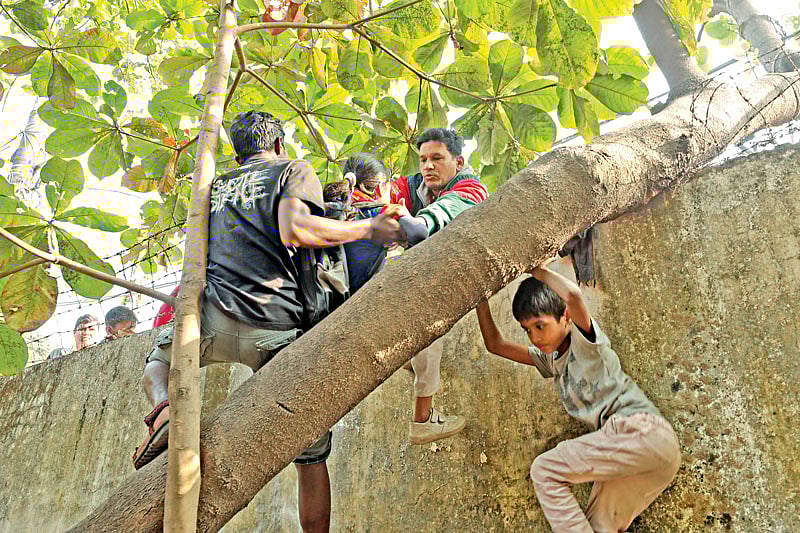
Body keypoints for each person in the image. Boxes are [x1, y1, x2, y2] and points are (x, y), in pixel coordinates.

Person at [133, 110, 403, 533]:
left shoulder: (214, 186)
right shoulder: (292, 169)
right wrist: (368, 229)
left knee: (157, 363)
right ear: (279, 144)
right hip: (277, 326)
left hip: (213, 320)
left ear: (237, 152)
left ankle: (163, 412)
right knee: (311, 455)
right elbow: (296, 229)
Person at [475, 259, 681, 533]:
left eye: (540, 325)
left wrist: (534, 267)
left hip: (640, 431)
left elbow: (572, 296)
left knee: (545, 470)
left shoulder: (586, 343)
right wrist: (479, 297)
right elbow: (495, 345)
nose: (534, 337)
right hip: (638, 457)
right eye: (527, 330)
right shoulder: (550, 360)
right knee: (596, 527)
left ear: (566, 318)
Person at [387, 127, 488, 445]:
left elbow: (432, 221)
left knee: (432, 323)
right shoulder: (414, 186)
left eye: (437, 159)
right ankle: (404, 358)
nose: (428, 166)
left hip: (454, 278)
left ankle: (422, 420)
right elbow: (379, 195)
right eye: (423, 160)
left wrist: (408, 221)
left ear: (458, 162)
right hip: (418, 275)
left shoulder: (472, 189)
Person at [322, 153, 393, 293]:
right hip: (362, 295)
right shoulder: (380, 214)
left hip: (328, 294)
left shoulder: (331, 209)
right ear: (379, 188)